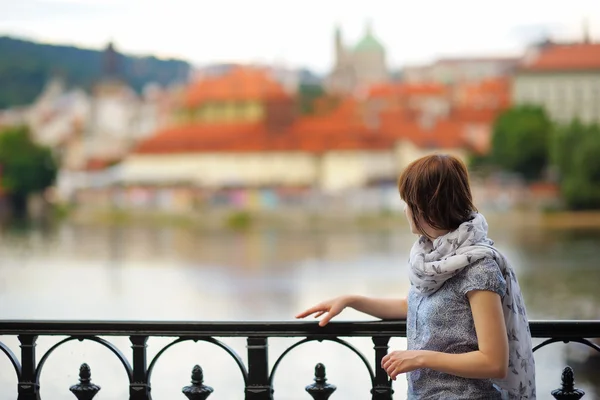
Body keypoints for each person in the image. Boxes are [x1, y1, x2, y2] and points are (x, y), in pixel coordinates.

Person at [295, 154, 536, 399]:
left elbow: (493, 361)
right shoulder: (431, 258)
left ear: (429, 206)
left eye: (408, 201)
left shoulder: (478, 267)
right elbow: (411, 306)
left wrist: (420, 357)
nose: (404, 209)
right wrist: (351, 301)